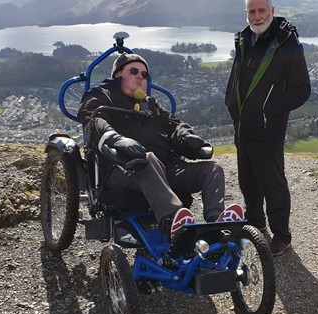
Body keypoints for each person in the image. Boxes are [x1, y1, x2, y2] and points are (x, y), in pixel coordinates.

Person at [78, 53, 243, 238]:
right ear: (117, 75)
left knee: (212, 169)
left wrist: (187, 137)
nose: (140, 76)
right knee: (146, 158)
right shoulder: (101, 96)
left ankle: (216, 224)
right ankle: (173, 223)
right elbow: (92, 117)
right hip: (123, 168)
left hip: (165, 169)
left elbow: (173, 125)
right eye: (133, 71)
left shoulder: (149, 104)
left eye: (144, 74)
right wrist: (114, 137)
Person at [224, 0, 311, 256]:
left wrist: (267, 110)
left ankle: (282, 235)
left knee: (273, 184)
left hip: (268, 128)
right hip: (243, 126)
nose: (257, 16)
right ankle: (255, 224)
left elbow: (302, 90)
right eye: (252, 11)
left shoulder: (286, 42)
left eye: (262, 10)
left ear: (272, 11)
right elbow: (236, 78)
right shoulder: (243, 39)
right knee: (248, 181)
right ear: (246, 13)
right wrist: (231, 105)